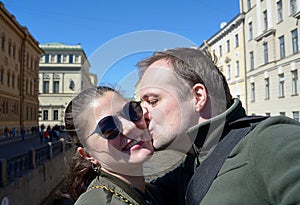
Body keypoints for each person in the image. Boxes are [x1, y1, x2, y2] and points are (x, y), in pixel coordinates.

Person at [137, 47, 300, 204]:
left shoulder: (272, 141)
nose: (142, 115)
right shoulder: (191, 163)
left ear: (198, 97)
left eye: (153, 101)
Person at [64, 86, 164, 205]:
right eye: (108, 128)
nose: (130, 127)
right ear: (87, 154)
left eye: (131, 112)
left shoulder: (154, 192)